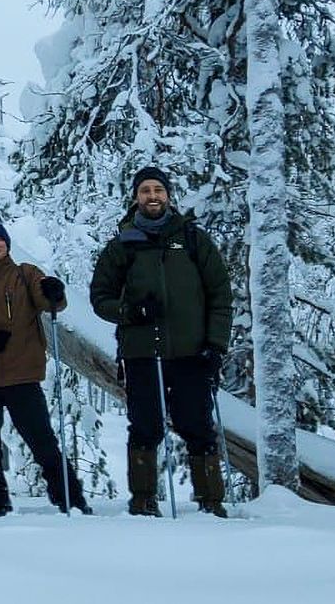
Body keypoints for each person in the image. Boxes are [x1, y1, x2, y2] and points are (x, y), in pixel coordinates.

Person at [89, 167, 233, 517]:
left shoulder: (193, 240)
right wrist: (132, 311)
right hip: (142, 353)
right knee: (145, 425)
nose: (152, 196)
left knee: (197, 425)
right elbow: (100, 298)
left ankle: (211, 501)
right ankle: (143, 499)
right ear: (135, 197)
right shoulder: (123, 244)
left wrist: (216, 346)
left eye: (158, 190)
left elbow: (220, 294)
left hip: (191, 353)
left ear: (168, 196)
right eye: (145, 191)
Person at [0, 220, 88, 516]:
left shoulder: (25, 274)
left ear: (7, 244)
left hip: (22, 374)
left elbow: (51, 304)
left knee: (43, 441)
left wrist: (55, 292)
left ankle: (71, 501)